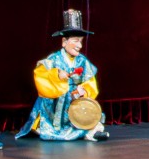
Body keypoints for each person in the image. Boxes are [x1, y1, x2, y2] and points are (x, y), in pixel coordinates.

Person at [16, 9, 109, 141]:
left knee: (87, 116)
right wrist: (56, 75)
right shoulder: (54, 59)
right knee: (45, 124)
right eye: (76, 41)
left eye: (81, 41)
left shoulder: (82, 61)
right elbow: (41, 75)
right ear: (64, 42)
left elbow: (90, 82)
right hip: (54, 102)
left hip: (74, 100)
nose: (79, 45)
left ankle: (91, 131)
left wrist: (84, 90)